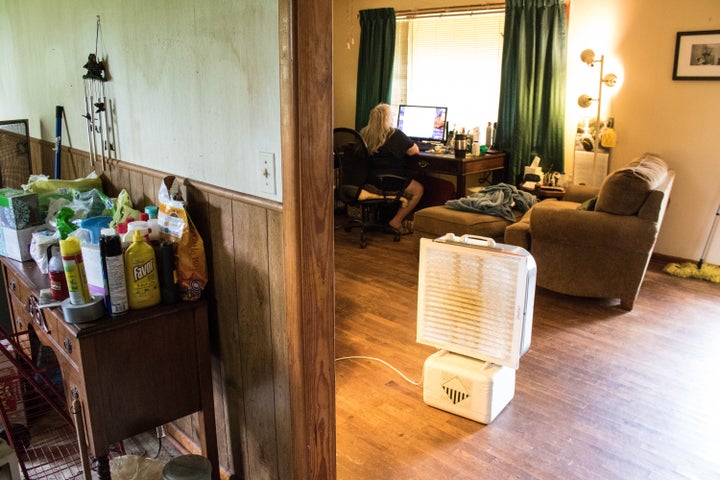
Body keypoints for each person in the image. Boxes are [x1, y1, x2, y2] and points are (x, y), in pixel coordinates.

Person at [359, 103, 423, 235]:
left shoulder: (363, 133)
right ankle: (396, 221)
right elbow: (414, 151)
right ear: (388, 118)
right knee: (418, 190)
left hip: (369, 179)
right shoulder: (395, 134)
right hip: (389, 180)